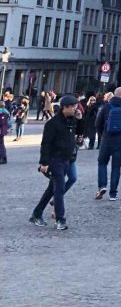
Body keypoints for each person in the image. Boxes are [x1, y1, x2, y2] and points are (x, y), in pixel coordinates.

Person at [30, 94, 83, 230]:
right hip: (55, 160)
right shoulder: (52, 124)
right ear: (65, 107)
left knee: (51, 190)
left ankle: (36, 214)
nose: (76, 109)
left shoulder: (71, 120)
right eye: (73, 107)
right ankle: (60, 219)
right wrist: (44, 163)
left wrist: (80, 119)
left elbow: (81, 132)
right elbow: (45, 144)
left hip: (67, 159)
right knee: (58, 189)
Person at [94, 86, 121, 200]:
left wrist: (102, 134)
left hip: (106, 139)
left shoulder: (106, 106)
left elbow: (98, 123)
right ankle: (113, 193)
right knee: (116, 167)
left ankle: (102, 186)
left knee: (102, 163)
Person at [0, 96, 9, 163]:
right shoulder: (6, 112)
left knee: (1, 145)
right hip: (2, 131)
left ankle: (2, 158)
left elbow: (1, 122)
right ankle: (4, 157)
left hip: (1, 131)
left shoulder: (2, 113)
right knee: (2, 144)